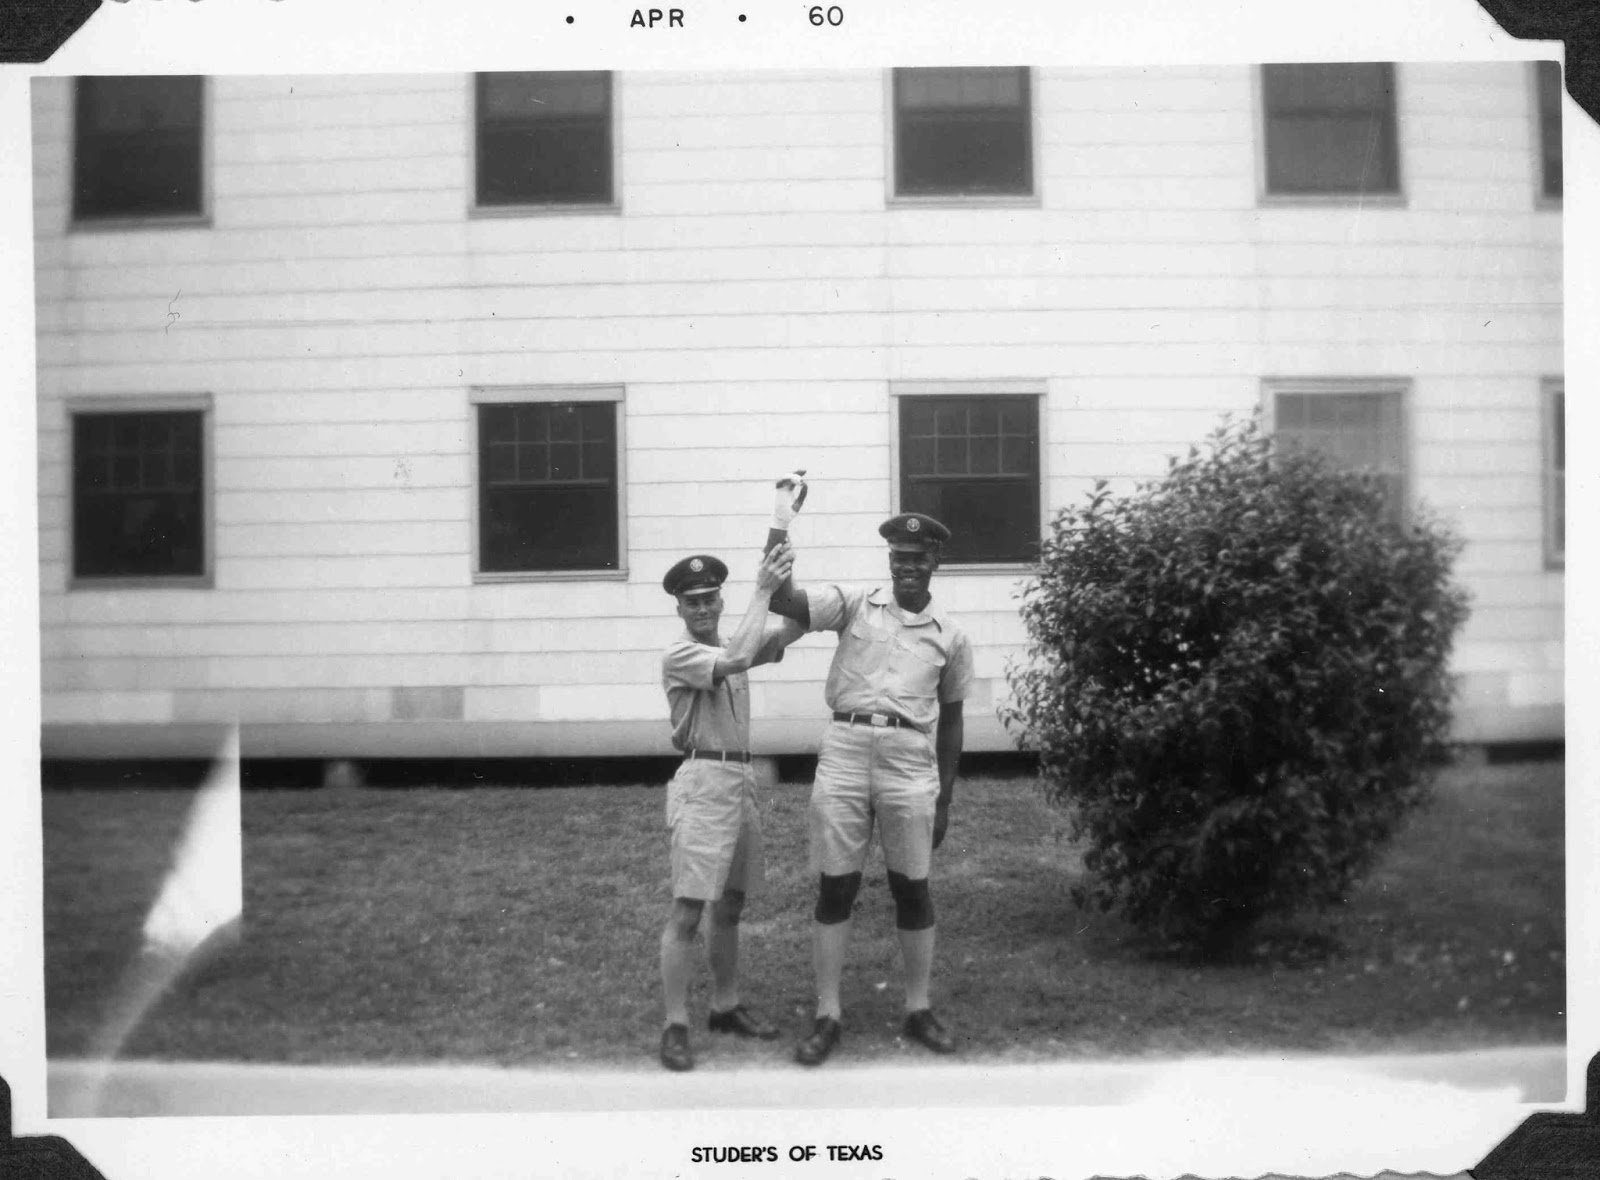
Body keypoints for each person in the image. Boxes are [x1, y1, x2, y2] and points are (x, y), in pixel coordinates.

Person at [763, 479, 974, 1067]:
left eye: (919, 558)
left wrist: (946, 798)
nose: (908, 566)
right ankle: (827, 1014)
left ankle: (918, 1008)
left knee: (913, 886)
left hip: (911, 762)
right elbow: (784, 602)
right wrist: (781, 523)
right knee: (837, 884)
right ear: (890, 560)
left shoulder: (951, 638)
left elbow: (952, 722)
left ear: (936, 562)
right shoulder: (856, 602)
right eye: (899, 557)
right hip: (847, 748)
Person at [656, 541, 805, 1072]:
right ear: (680, 609)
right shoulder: (684, 654)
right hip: (702, 780)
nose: (702, 608)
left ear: (721, 602)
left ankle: (724, 1006)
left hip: (740, 779)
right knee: (688, 909)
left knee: (733, 904)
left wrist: (786, 582)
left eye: (709, 598)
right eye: (692, 601)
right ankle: (676, 1025)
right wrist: (762, 588)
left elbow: (785, 634)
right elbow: (740, 655)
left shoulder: (730, 642)